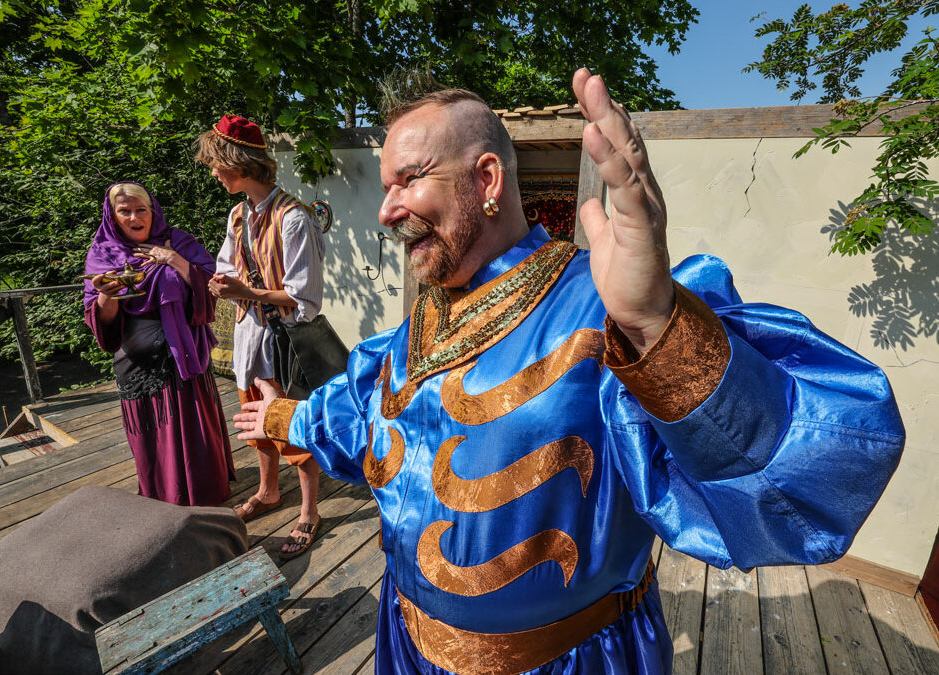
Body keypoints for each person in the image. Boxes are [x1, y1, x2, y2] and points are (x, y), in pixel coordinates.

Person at [235, 69, 905, 674]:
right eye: (385, 189)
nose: (386, 210)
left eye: (408, 178)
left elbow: (824, 465)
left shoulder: (607, 309)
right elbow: (364, 423)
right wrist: (280, 414)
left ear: (487, 179)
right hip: (404, 646)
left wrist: (658, 332)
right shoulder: (414, 329)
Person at [198, 115, 326, 559]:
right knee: (256, 425)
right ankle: (269, 491)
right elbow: (227, 265)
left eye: (218, 164)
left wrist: (246, 291)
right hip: (248, 339)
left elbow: (304, 297)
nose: (213, 172)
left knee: (289, 427)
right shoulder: (238, 214)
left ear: (240, 162)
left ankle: (310, 511)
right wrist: (222, 281)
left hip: (281, 342)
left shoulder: (295, 219)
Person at [84, 182, 235, 506]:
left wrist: (174, 260)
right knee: (156, 434)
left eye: (142, 210)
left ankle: (205, 492)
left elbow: (211, 282)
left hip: (185, 353)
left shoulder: (178, 242)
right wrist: (106, 296)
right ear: (112, 216)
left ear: (153, 212)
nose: (134, 217)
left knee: (193, 428)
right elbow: (104, 320)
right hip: (138, 365)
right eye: (125, 211)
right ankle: (163, 495)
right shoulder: (102, 252)